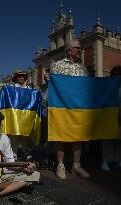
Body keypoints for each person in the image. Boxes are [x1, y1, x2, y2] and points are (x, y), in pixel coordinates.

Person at [45, 39, 90, 179]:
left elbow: (86, 87)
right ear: (69, 50)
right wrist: (48, 79)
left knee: (78, 137)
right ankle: (60, 165)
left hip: (78, 107)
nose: (80, 50)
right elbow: (53, 84)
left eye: (80, 48)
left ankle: (76, 165)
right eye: (78, 48)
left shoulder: (83, 68)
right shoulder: (57, 65)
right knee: (60, 136)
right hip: (61, 106)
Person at [101, 66, 121, 172]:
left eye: (119, 74)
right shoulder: (107, 87)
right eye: (114, 74)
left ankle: (118, 160)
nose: (116, 76)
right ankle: (105, 161)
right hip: (108, 116)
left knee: (120, 140)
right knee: (107, 139)